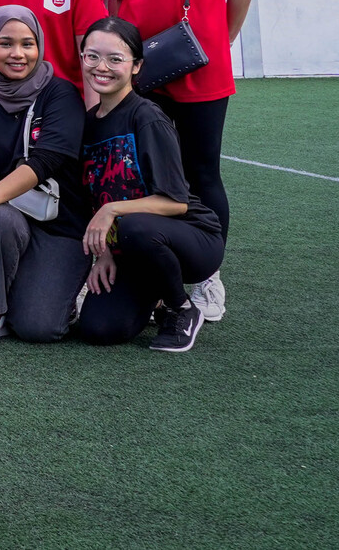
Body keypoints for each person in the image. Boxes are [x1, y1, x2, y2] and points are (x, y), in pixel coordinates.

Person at [91, 0, 255, 314]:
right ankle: (154, 272)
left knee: (202, 173)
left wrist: (218, 44)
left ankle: (207, 275)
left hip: (202, 70)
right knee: (146, 175)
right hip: (141, 73)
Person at [72, 18, 225, 353]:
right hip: (132, 243)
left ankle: (180, 308)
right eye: (92, 56)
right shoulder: (87, 124)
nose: (102, 67)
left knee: (134, 226)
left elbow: (176, 203)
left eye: (115, 59)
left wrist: (113, 212)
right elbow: (94, 197)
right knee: (100, 329)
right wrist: (105, 253)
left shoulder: (147, 117)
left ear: (136, 66)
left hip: (190, 237)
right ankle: (153, 296)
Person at [0, 5, 87, 343]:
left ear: (40, 46)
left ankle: (66, 289)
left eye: (28, 44)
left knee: (37, 327)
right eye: (5, 43)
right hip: (10, 220)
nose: (18, 54)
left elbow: (43, 163)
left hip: (60, 226)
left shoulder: (61, 94)